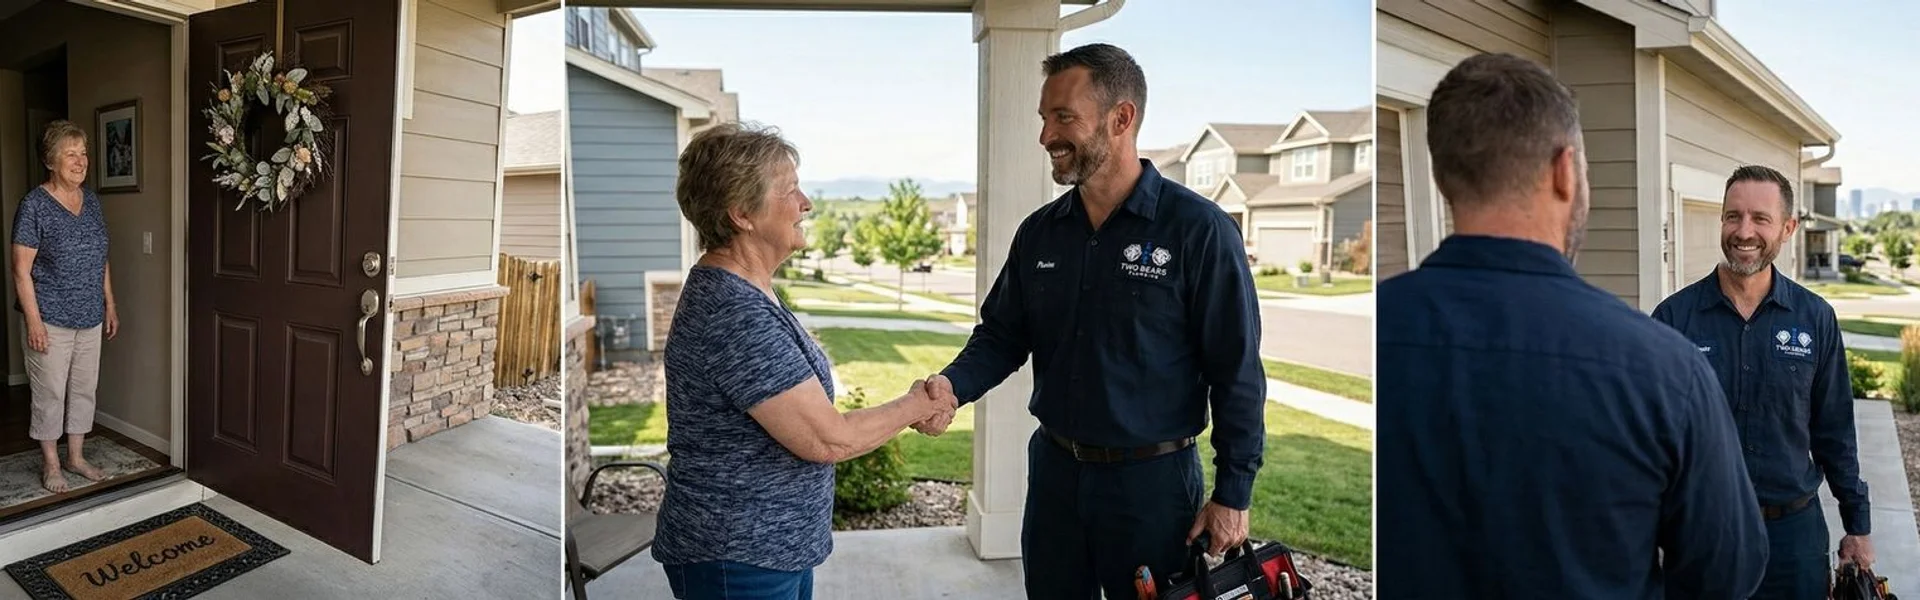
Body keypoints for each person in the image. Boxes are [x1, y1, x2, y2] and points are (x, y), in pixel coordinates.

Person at [1375, 53, 1767, 598]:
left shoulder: (1380, 327)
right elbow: (1726, 573)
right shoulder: (1664, 369)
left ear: (1444, 177)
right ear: (1564, 171)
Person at [920, 43, 1266, 599]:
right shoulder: (1040, 233)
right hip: (1055, 475)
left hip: (1151, 488)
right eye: (1044, 118)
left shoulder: (1198, 231)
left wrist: (1234, 492)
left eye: (1064, 117)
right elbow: (1002, 335)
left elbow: (1237, 370)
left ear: (1120, 118)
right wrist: (951, 388)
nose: (1045, 136)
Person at [649, 122, 955, 600]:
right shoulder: (734, 314)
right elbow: (827, 438)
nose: (805, 203)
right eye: (790, 190)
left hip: (766, 551)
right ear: (742, 214)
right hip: (738, 557)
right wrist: (918, 404)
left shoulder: (749, 291)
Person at [1651, 165, 1874, 598]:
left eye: (1760, 218)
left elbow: (1834, 432)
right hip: (1703, 533)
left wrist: (1858, 525)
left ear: (1788, 228)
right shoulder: (1674, 318)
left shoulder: (1814, 318)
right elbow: (1653, 437)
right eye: (1733, 216)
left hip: (1794, 539)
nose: (1744, 231)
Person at [14, 120, 119, 494]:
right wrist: (34, 322)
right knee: (51, 394)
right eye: (70, 154)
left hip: (90, 316)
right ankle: (52, 464)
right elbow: (21, 270)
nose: (80, 161)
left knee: (84, 390)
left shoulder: (91, 202)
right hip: (51, 319)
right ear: (50, 161)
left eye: (83, 153)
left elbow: (101, 256)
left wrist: (109, 303)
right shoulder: (34, 206)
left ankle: (75, 457)